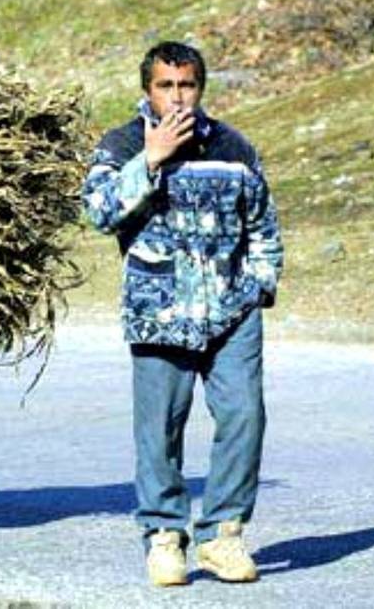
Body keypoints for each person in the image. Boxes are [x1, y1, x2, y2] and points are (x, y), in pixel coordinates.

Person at [82, 41, 283, 586]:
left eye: (187, 85)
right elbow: (97, 212)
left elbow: (262, 221)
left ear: (201, 88)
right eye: (166, 86)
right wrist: (149, 159)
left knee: (245, 416)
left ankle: (225, 536)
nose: (177, 97)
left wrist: (262, 282)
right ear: (147, 89)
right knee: (159, 432)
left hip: (232, 309)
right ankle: (165, 537)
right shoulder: (121, 144)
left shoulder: (232, 146)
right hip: (160, 312)